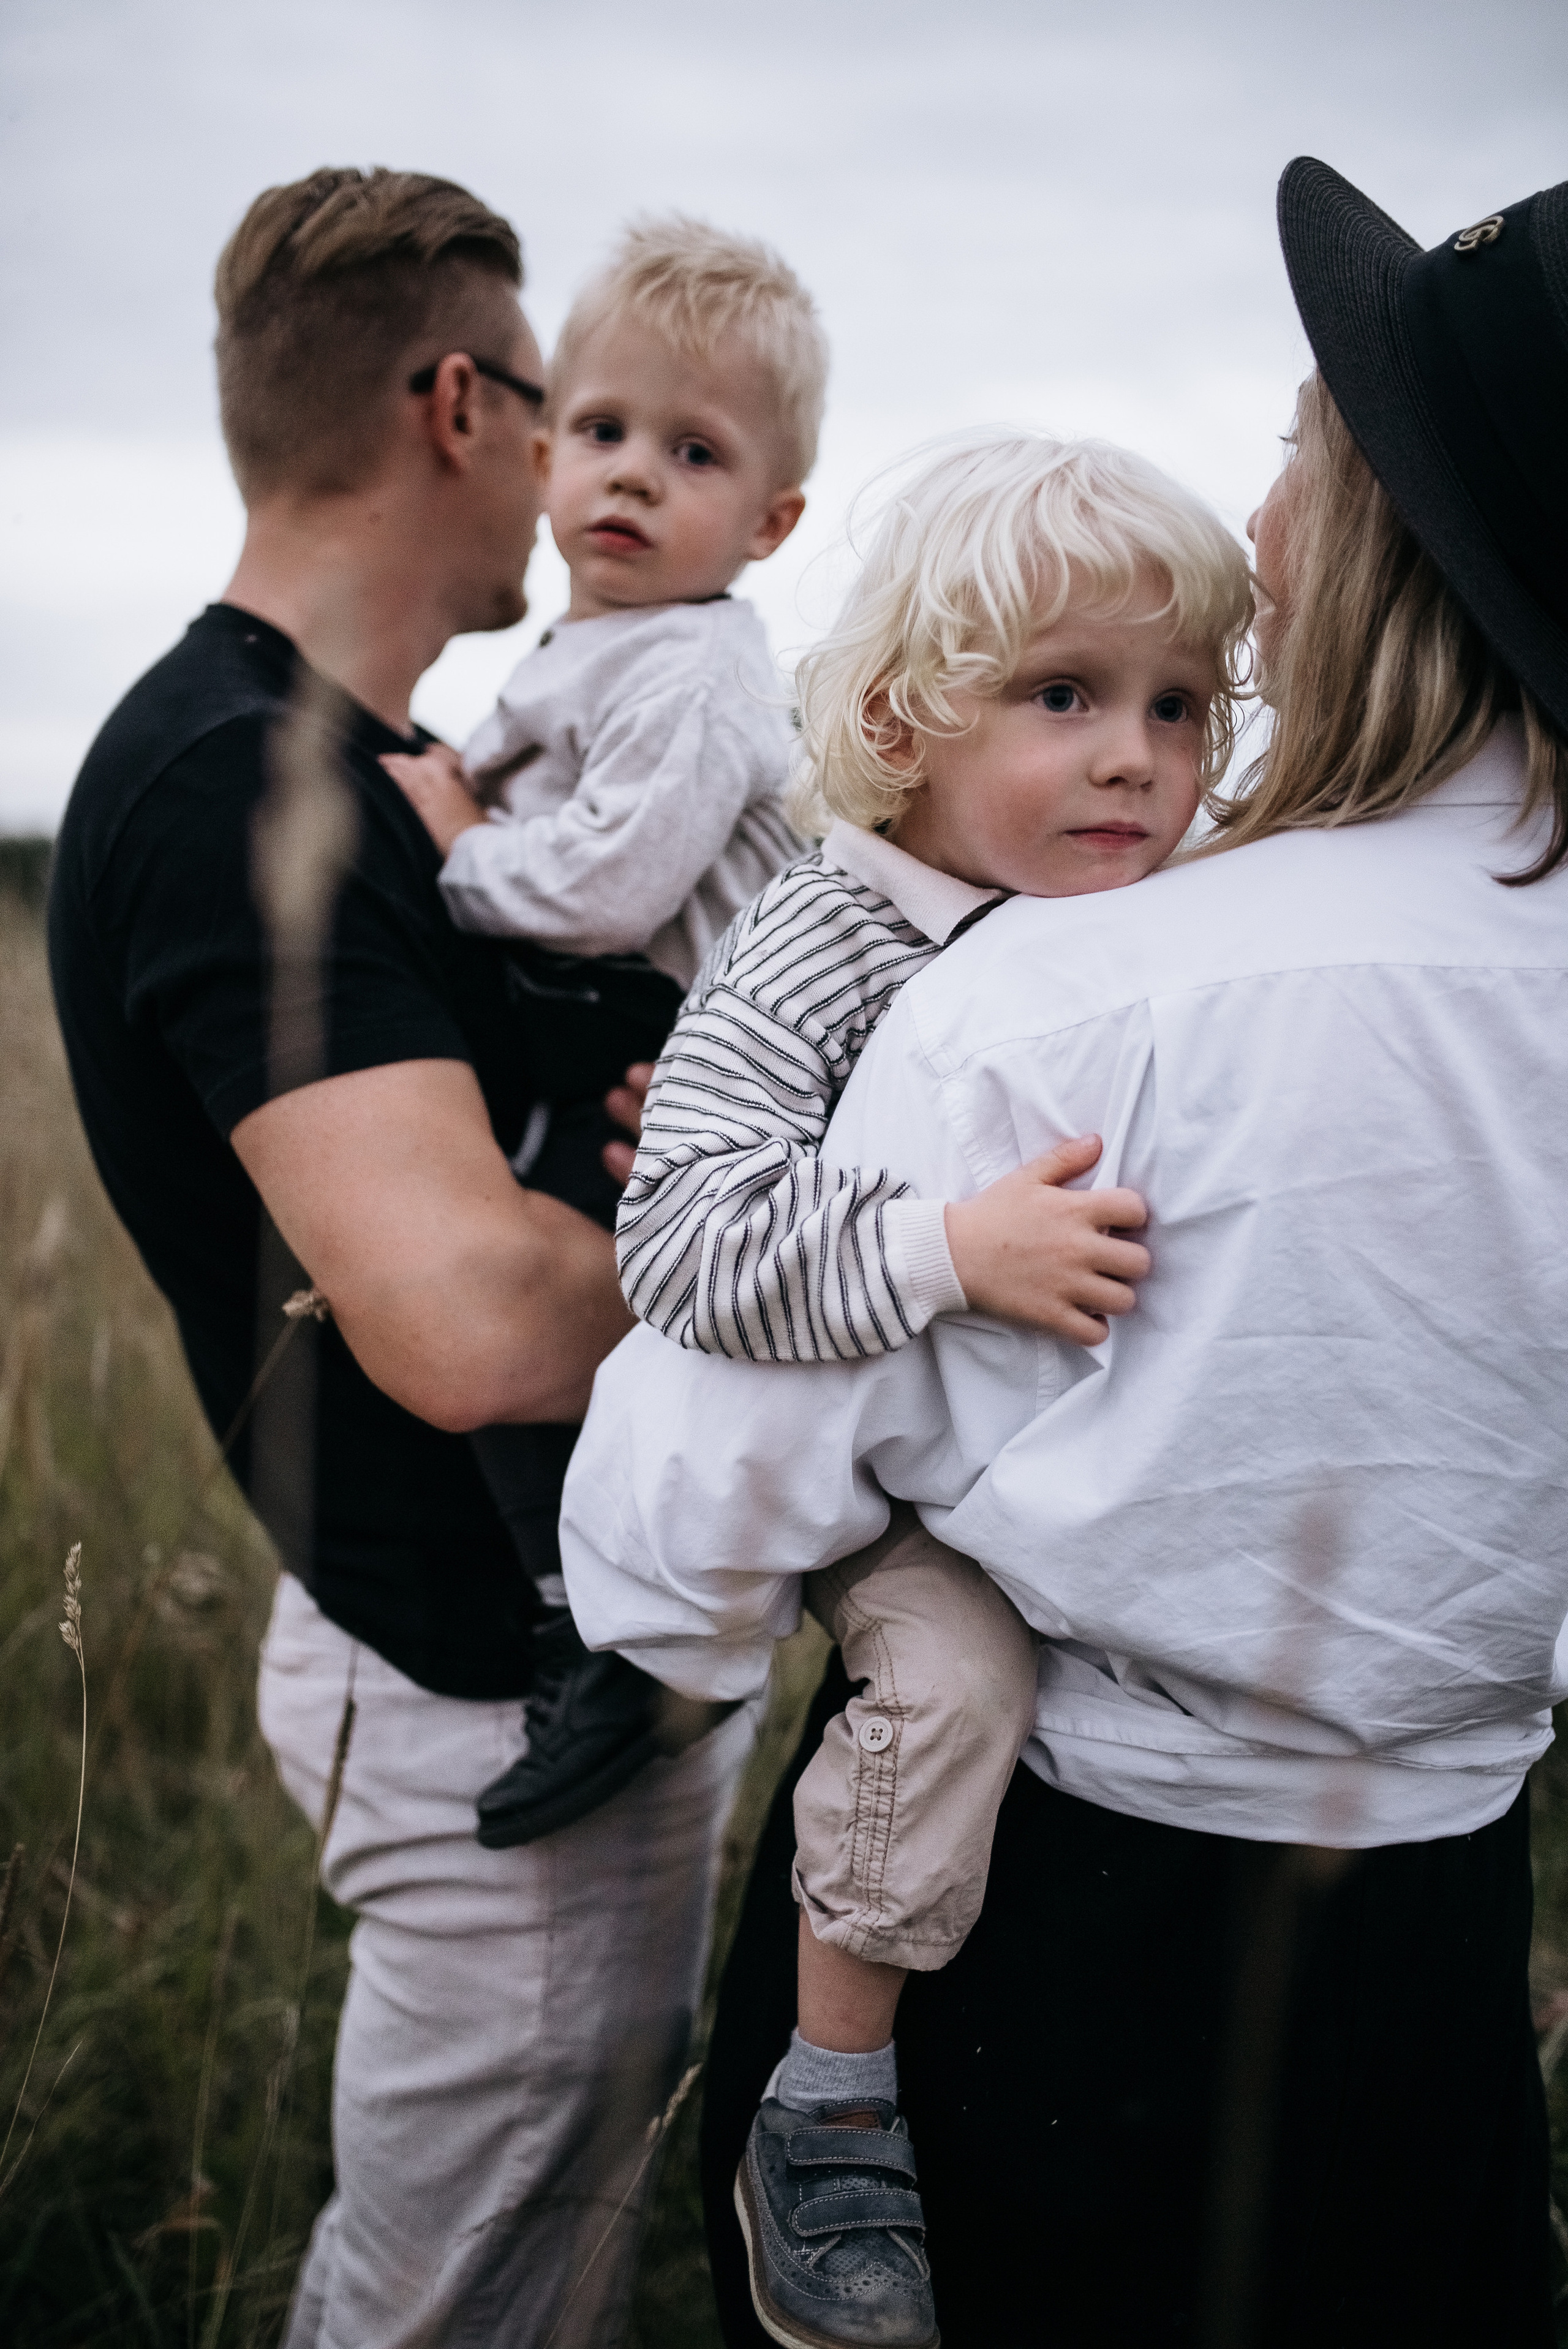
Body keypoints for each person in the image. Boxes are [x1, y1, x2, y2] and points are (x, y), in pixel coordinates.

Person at [559, 157, 1568, 2347]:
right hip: (1440, 1916)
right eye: (1061, 698)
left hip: (1072, 1908)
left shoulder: (1072, 997)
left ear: (1392, 515)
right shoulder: (950, 941)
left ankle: (829, 2115)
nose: (1275, 485)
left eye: (1309, 440)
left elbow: (735, 1482)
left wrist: (672, 1600)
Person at [47, 165, 754, 2349]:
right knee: (451, 2313)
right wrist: (774, 1241)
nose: (577, 470)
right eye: (559, 411)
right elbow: (469, 1327)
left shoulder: (394, 776)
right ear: (461, 404)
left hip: (503, 1647)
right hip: (483, 1717)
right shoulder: (232, 790)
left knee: (537, 2274)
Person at [612, 428, 1251, 2348]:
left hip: (996, 1451)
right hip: (839, 1478)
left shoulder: (1117, 921)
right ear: (904, 717)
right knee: (955, 1684)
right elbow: (684, 1236)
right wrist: (946, 1251)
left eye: (1178, 703)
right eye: (1063, 697)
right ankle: (827, 2092)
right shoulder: (830, 932)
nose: (1138, 753)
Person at [380, 215, 826, 1847]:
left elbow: (608, 874)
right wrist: (451, 784)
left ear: (771, 520)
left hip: (717, 1054)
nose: (632, 477)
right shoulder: (585, 645)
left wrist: (452, 846)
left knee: (536, 1321)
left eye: (692, 452)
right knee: (529, 1298)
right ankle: (607, 1609)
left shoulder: (703, 672)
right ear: (550, 443)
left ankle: (626, 1638)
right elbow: (493, 758)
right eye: (605, 432)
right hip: (631, 1032)